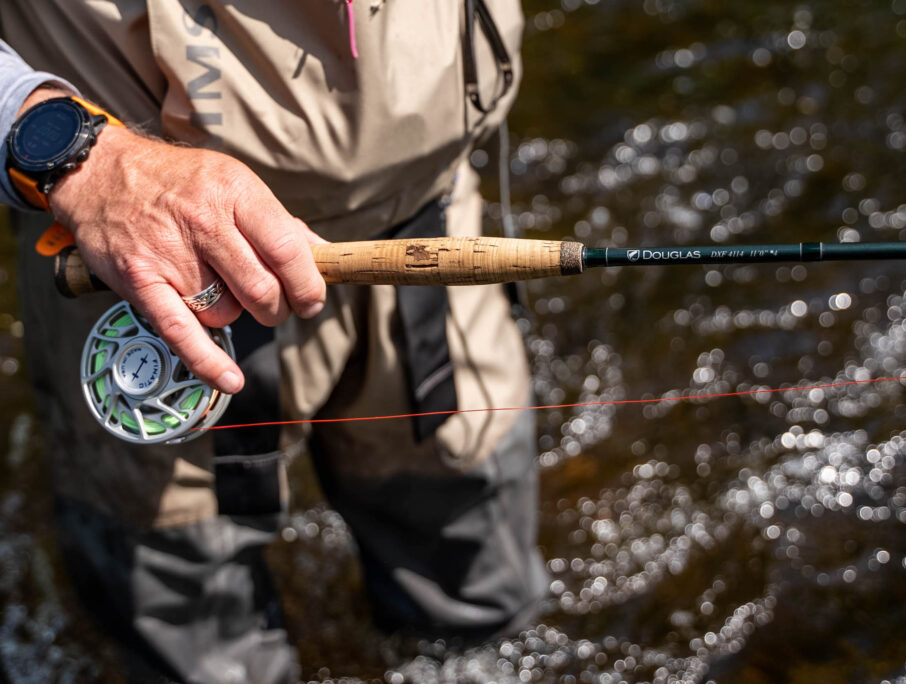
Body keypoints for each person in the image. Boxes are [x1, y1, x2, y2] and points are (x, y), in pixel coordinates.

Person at [0, 2, 547, 681]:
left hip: (434, 229)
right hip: (140, 269)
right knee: (199, 647)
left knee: (483, 613)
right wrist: (67, 150)